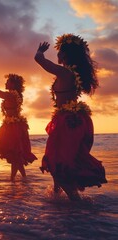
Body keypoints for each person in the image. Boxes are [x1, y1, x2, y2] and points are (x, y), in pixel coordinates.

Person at [35, 34, 107, 200]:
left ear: (65, 55)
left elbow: (39, 59)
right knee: (62, 160)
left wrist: (40, 51)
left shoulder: (65, 72)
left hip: (67, 121)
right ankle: (57, 197)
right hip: (74, 119)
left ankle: (75, 202)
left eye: (59, 52)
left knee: (60, 161)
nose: (58, 55)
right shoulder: (71, 74)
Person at [0, 72, 37, 181]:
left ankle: (14, 179)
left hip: (14, 127)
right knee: (15, 155)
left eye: (8, 81)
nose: (6, 83)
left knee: (15, 154)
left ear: (13, 84)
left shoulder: (11, 95)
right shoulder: (14, 95)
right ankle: (21, 180)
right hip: (11, 125)